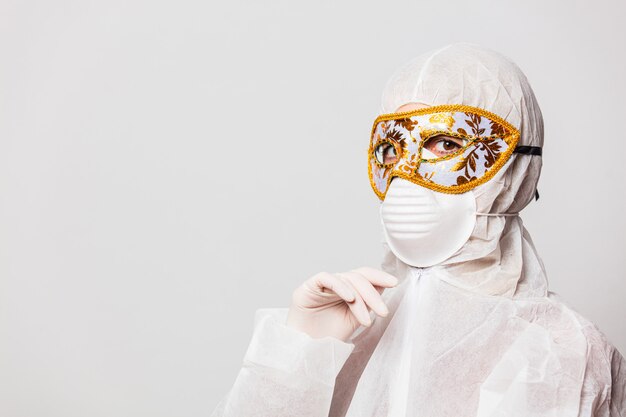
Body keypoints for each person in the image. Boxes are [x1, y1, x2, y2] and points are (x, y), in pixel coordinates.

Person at [210, 43, 626, 417]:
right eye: (391, 149)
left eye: (445, 143)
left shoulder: (561, 352)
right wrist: (298, 353)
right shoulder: (352, 328)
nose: (406, 176)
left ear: (519, 167)